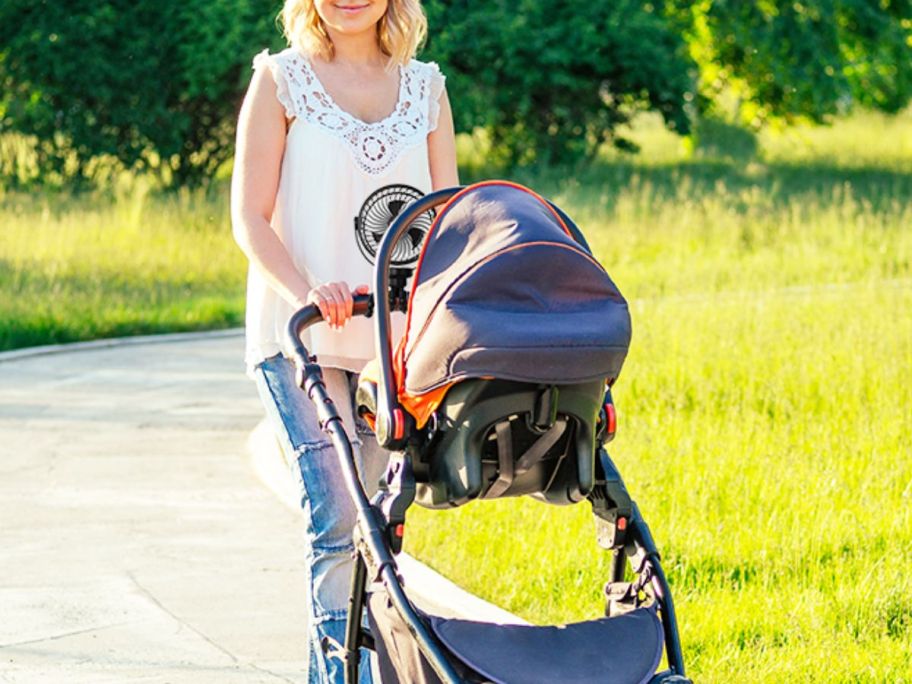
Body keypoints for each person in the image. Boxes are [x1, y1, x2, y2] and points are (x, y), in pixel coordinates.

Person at [230, 0, 458, 681]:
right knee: (338, 514)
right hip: (300, 336)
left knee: (377, 529)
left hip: (393, 347)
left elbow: (447, 214)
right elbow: (249, 216)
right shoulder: (281, 81)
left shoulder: (426, 89)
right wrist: (306, 291)